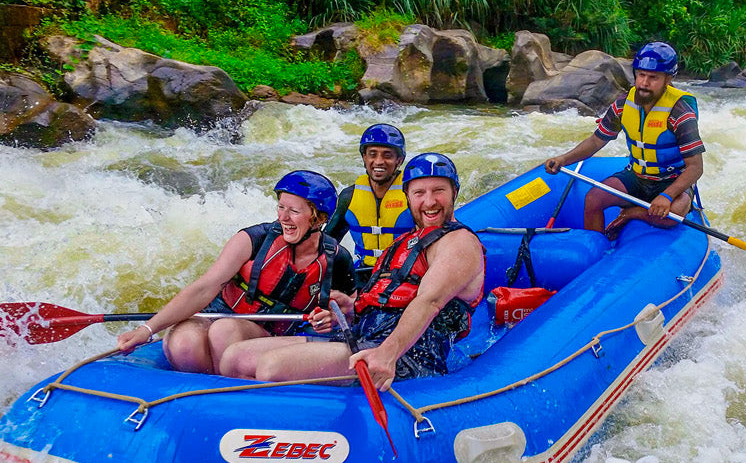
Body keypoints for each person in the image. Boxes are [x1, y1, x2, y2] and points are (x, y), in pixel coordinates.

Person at [219, 153, 486, 389]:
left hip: (410, 355)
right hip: (365, 337)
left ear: (454, 192)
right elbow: (387, 300)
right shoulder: (406, 242)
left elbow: (429, 301)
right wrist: (350, 309)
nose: (429, 201)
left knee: (271, 367)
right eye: (419, 193)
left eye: (438, 191)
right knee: (235, 358)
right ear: (407, 196)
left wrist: (387, 354)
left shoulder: (459, 242)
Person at [114, 171, 354, 374]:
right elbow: (204, 288)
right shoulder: (254, 239)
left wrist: (335, 316)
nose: (283, 217)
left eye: (294, 211)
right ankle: (205, 393)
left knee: (224, 330)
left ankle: (231, 392)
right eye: (281, 207)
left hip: (270, 333)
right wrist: (146, 330)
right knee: (184, 345)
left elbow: (351, 311)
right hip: (217, 314)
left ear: (319, 218)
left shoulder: (337, 258)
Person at [541, 41, 705, 238]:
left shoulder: (680, 113)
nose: (644, 83)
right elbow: (596, 141)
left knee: (673, 215)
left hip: (672, 180)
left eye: (653, 77)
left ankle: (631, 213)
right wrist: (563, 159)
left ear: (668, 79)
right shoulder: (622, 104)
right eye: (641, 75)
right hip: (637, 177)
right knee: (593, 199)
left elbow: (695, 167)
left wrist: (666, 196)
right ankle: (597, 248)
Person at [325, 123, 416, 284]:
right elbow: (326, 244)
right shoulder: (348, 196)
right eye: (372, 154)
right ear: (364, 158)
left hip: (406, 275)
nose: (379, 161)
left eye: (387, 155)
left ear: (399, 160)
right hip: (363, 274)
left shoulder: (414, 194)